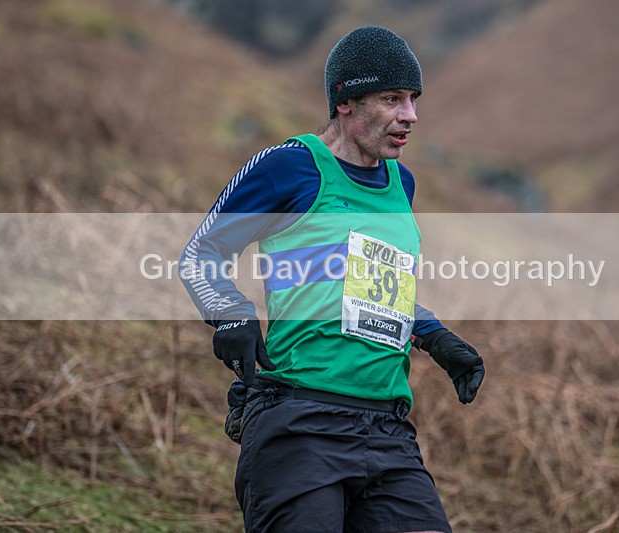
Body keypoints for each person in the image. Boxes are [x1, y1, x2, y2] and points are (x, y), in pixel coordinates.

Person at [179, 25, 485, 533]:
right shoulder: (289, 167)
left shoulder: (399, 183)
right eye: (392, 99)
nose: (410, 115)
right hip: (300, 420)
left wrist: (434, 335)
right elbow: (201, 254)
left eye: (412, 99)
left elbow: (373, 284)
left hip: (388, 431)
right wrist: (231, 315)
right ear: (346, 101)